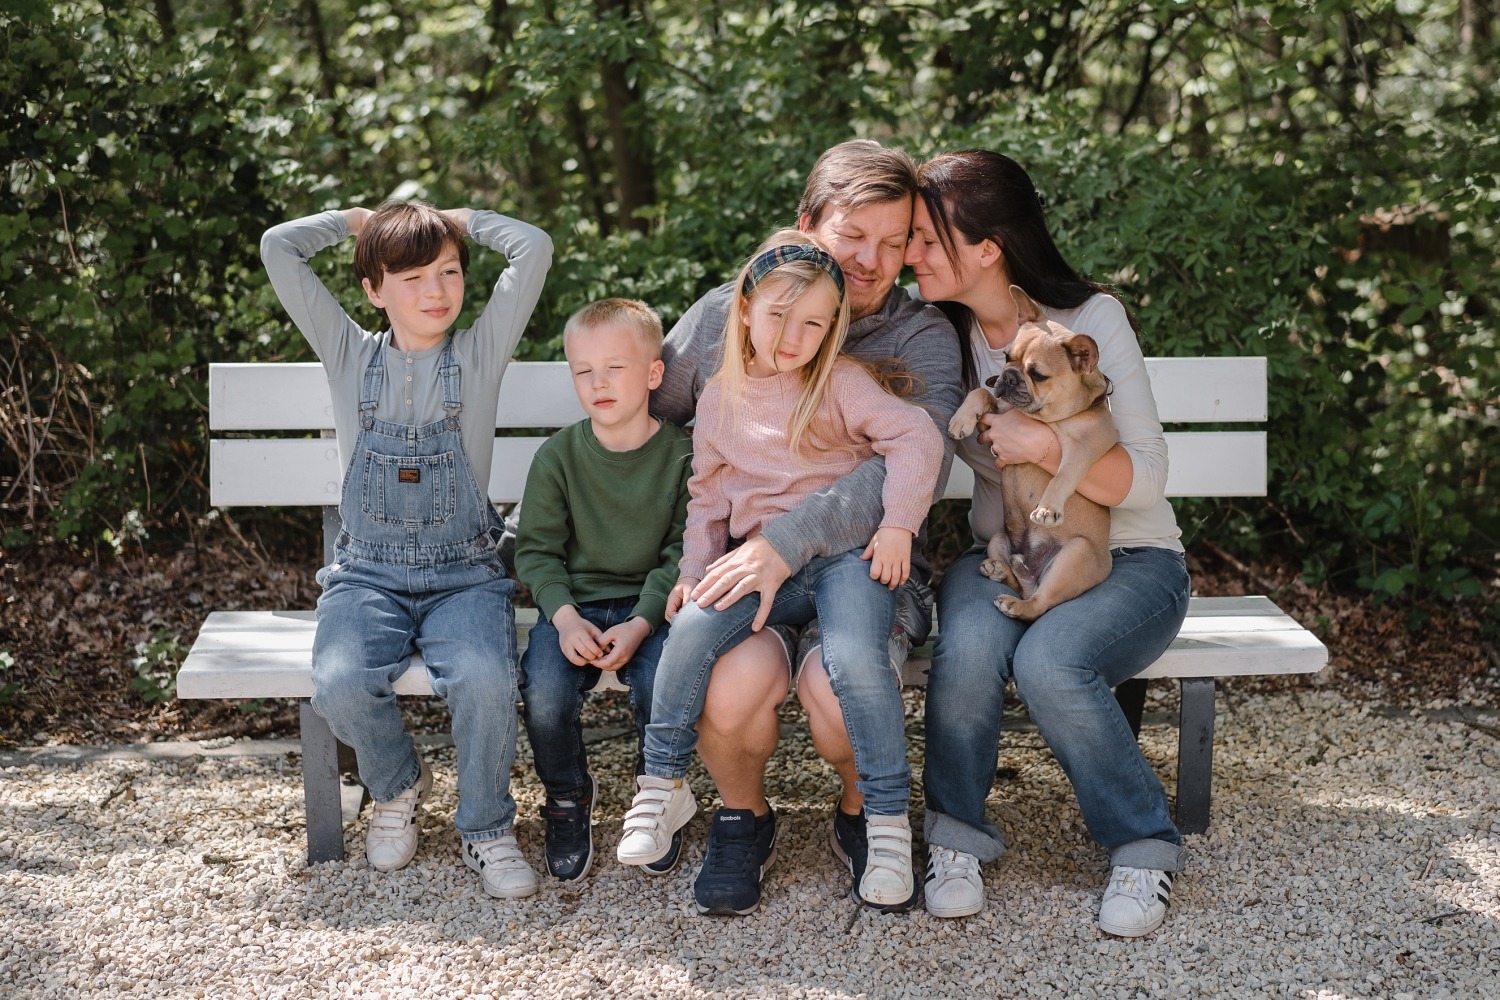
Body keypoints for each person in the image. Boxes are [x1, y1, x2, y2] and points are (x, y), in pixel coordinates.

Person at [650, 140, 963, 915]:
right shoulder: (735, 312)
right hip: (741, 576)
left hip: (865, 569)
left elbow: (911, 462)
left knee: (836, 685)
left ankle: (865, 811)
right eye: (854, 234)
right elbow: (656, 420)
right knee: (731, 684)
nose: (873, 260)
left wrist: (781, 542)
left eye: (896, 243)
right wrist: (684, 563)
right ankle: (740, 817)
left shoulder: (918, 335)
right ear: (806, 225)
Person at [905, 149, 1191, 936]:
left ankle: (1142, 846)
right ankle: (956, 840)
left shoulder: (1092, 321)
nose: (911, 254)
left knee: (1049, 661)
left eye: (929, 240)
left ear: (988, 249)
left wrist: (1045, 447)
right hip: (1010, 547)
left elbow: (1147, 478)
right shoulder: (941, 334)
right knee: (965, 648)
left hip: (1131, 560)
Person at [260, 200, 552, 898]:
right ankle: (397, 784)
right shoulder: (348, 352)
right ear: (374, 289)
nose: (436, 291)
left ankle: (486, 829)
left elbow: (533, 246)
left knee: (486, 679)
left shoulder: (479, 353)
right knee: (337, 682)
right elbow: (279, 246)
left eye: (449, 272)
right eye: (414, 277)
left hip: (466, 577)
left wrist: (463, 217)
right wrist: (354, 219)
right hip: (367, 575)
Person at [514, 298, 694, 884]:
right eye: (583, 371)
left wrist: (642, 621)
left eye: (615, 367)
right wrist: (564, 619)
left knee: (660, 683)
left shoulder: (683, 457)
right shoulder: (559, 457)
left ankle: (655, 798)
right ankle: (568, 797)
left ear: (653, 374)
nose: (599, 383)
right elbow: (536, 550)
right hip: (576, 608)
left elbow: (684, 553)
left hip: (656, 608)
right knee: (543, 691)